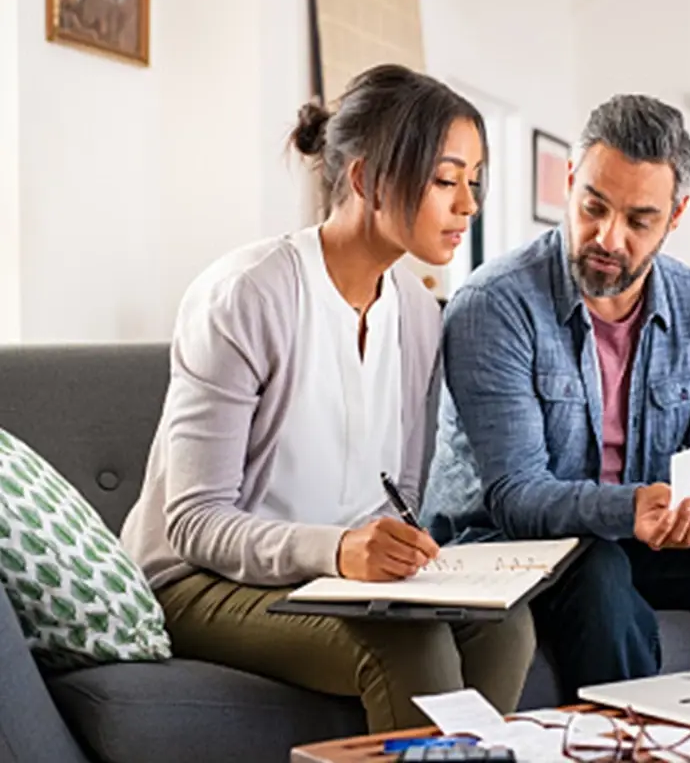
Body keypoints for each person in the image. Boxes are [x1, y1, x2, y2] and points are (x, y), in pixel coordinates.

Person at [119, 64, 535, 732]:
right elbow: (193, 523)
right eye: (445, 180)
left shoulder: (421, 315)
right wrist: (339, 550)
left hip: (335, 582)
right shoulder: (247, 295)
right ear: (368, 179)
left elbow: (396, 492)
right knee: (413, 645)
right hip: (199, 583)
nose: (468, 205)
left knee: (505, 627)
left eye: (474, 182)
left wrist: (406, 555)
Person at [420, 93, 690, 695]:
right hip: (508, 546)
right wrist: (631, 509)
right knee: (600, 567)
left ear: (675, 216)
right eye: (594, 207)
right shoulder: (495, 305)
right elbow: (514, 495)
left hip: (637, 534)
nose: (608, 237)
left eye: (639, 221)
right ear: (571, 182)